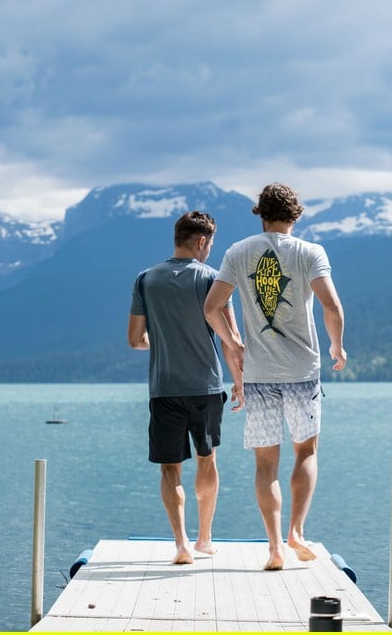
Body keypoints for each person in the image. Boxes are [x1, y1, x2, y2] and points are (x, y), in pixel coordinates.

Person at [203, 182, 347, 571]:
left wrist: (234, 346)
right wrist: (336, 346)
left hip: (260, 375)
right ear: (295, 216)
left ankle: (274, 548)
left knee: (266, 465)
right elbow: (331, 306)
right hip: (303, 372)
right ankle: (296, 531)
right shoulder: (309, 252)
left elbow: (212, 306)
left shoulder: (239, 252)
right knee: (306, 451)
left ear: (260, 214)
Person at [129, 210, 244, 565]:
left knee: (169, 467)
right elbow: (231, 339)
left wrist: (162, 341)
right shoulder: (213, 279)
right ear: (202, 241)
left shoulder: (145, 279)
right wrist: (239, 383)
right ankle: (204, 540)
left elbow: (135, 340)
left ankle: (180, 545)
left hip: (163, 388)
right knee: (207, 459)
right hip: (205, 387)